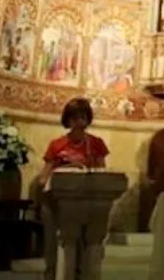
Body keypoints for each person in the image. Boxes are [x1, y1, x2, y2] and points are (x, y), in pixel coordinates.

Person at [33, 97, 109, 280]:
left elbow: (102, 173)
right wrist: (62, 170)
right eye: (74, 117)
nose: (78, 121)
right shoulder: (57, 144)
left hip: (87, 202)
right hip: (58, 203)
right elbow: (44, 176)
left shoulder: (96, 143)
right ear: (67, 119)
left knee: (86, 247)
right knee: (55, 246)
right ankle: (52, 275)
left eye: (82, 116)